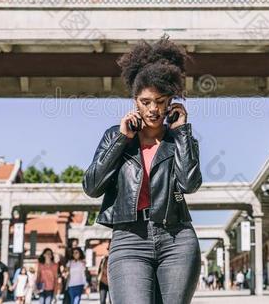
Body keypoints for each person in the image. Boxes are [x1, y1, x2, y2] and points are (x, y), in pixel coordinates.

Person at [82, 35, 202, 304]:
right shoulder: (115, 136)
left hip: (177, 238)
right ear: (134, 100)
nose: (153, 109)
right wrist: (122, 140)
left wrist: (182, 132)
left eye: (160, 101)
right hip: (129, 238)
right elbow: (92, 187)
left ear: (171, 101)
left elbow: (189, 184)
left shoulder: (180, 139)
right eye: (145, 101)